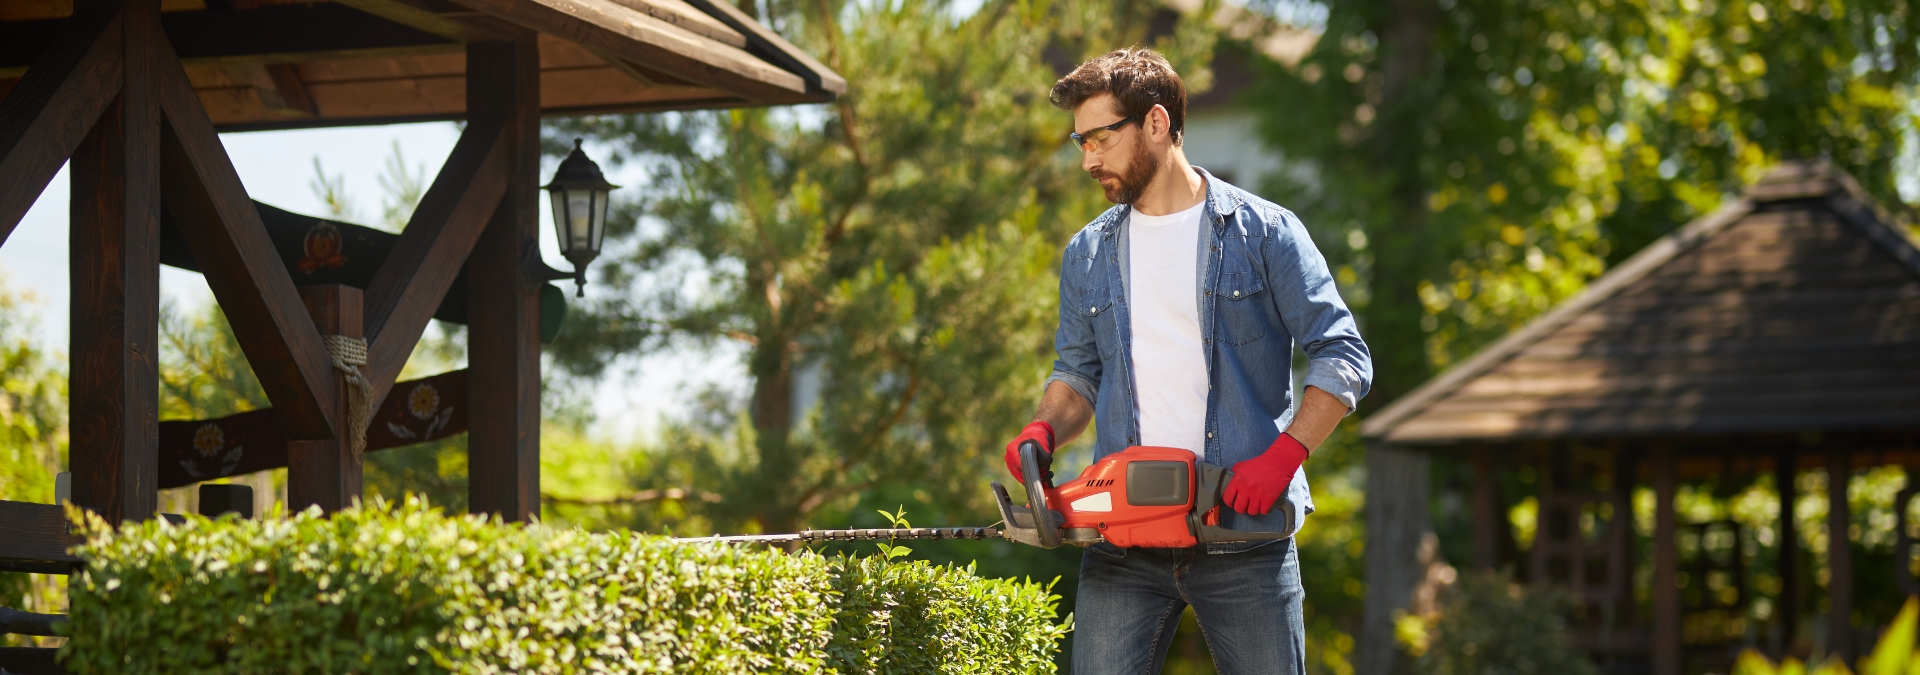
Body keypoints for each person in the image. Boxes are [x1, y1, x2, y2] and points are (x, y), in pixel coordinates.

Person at [1005, 48, 1372, 674]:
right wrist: (1043, 428)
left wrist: (1286, 455)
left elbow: (1343, 353)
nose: (1089, 158)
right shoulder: (1087, 253)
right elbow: (1078, 375)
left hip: (1244, 539)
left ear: (1154, 123)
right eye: (1080, 142)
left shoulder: (1264, 233)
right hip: (1121, 539)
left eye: (1100, 137)